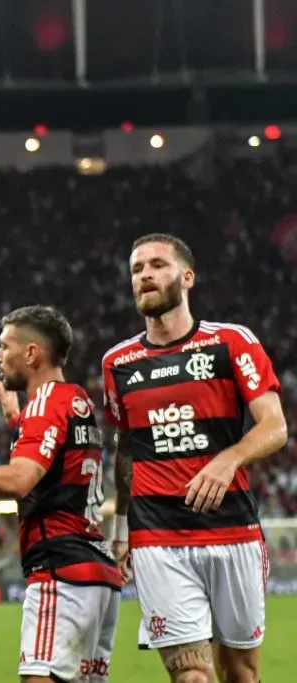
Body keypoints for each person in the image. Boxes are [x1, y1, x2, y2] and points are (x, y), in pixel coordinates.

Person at [101, 234, 287, 683]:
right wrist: (122, 528)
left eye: (157, 265)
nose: (145, 275)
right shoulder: (117, 362)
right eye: (137, 269)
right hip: (157, 536)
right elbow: (127, 449)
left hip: (232, 529)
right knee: (192, 676)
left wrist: (230, 458)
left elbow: (275, 426)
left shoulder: (231, 342)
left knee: (240, 674)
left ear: (187, 277)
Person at [0, 306, 121, 683]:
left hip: (61, 572)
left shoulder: (46, 404)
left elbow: (19, 480)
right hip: (98, 574)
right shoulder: (77, 399)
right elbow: (58, 469)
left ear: (31, 353)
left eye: (4, 346)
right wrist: (17, 419)